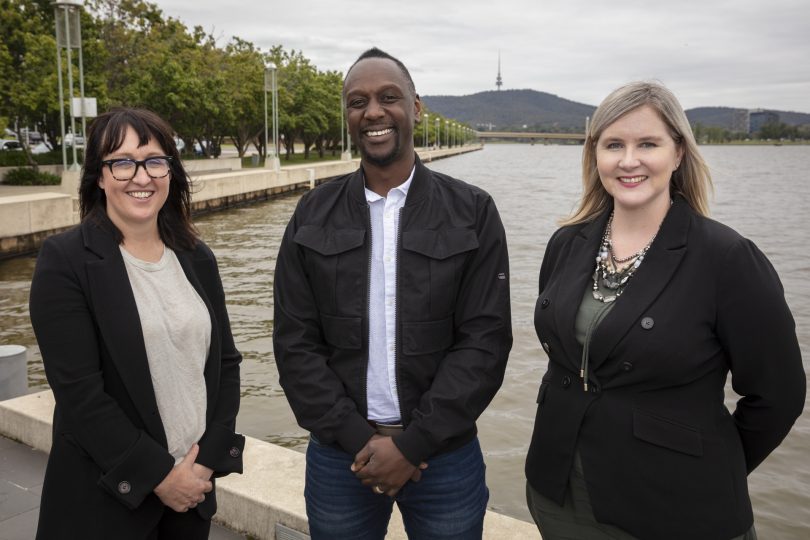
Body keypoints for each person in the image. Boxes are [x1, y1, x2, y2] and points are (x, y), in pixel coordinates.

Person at [524, 81, 805, 540]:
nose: (629, 160)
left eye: (647, 144)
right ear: (595, 155)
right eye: (614, 144)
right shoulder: (567, 244)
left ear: (678, 153)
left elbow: (780, 396)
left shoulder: (727, 258)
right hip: (561, 495)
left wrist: (709, 467)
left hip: (675, 508)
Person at [273, 47, 512, 539]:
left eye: (389, 97)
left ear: (416, 108)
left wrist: (414, 443)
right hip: (341, 456)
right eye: (358, 101)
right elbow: (294, 342)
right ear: (347, 117)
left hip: (444, 458)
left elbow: (484, 341)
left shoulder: (473, 212)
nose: (373, 112)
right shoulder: (311, 213)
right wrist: (356, 436)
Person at [29, 107, 245, 539]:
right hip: (106, 502)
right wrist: (162, 478)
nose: (141, 176)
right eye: (123, 162)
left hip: (191, 496)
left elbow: (227, 365)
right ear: (100, 176)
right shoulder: (66, 262)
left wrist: (203, 463)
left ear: (171, 171)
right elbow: (80, 396)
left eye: (155, 160)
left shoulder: (196, 257)